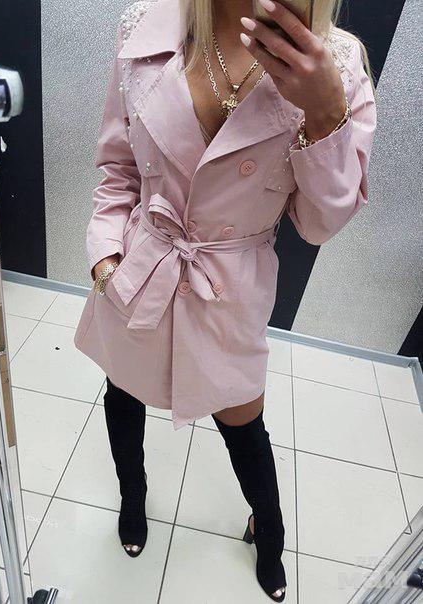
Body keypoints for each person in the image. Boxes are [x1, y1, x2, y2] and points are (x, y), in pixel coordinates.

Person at [74, 0, 377, 600]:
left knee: (244, 425)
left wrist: (324, 113)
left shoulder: (336, 67)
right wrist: (106, 256)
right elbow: (118, 166)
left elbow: (319, 224)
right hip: (142, 267)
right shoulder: (146, 26)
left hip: (229, 291)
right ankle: (132, 497)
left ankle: (270, 532)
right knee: (123, 395)